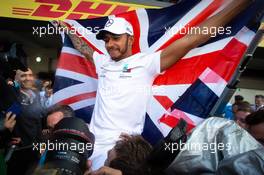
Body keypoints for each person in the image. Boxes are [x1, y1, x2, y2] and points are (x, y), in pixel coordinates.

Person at [60, 0, 253, 169]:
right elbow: (83, 47)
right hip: (90, 144)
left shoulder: (146, 63)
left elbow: (192, 39)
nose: (110, 44)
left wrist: (241, 4)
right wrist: (67, 27)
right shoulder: (102, 62)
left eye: (116, 38)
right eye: (107, 39)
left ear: (131, 39)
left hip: (119, 150)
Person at [6, 68, 45, 175]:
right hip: (18, 153)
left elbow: (38, 123)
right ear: (16, 78)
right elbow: (8, 120)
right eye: (23, 75)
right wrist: (8, 136)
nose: (28, 78)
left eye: (30, 75)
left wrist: (42, 146)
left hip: (34, 151)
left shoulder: (35, 95)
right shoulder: (13, 96)